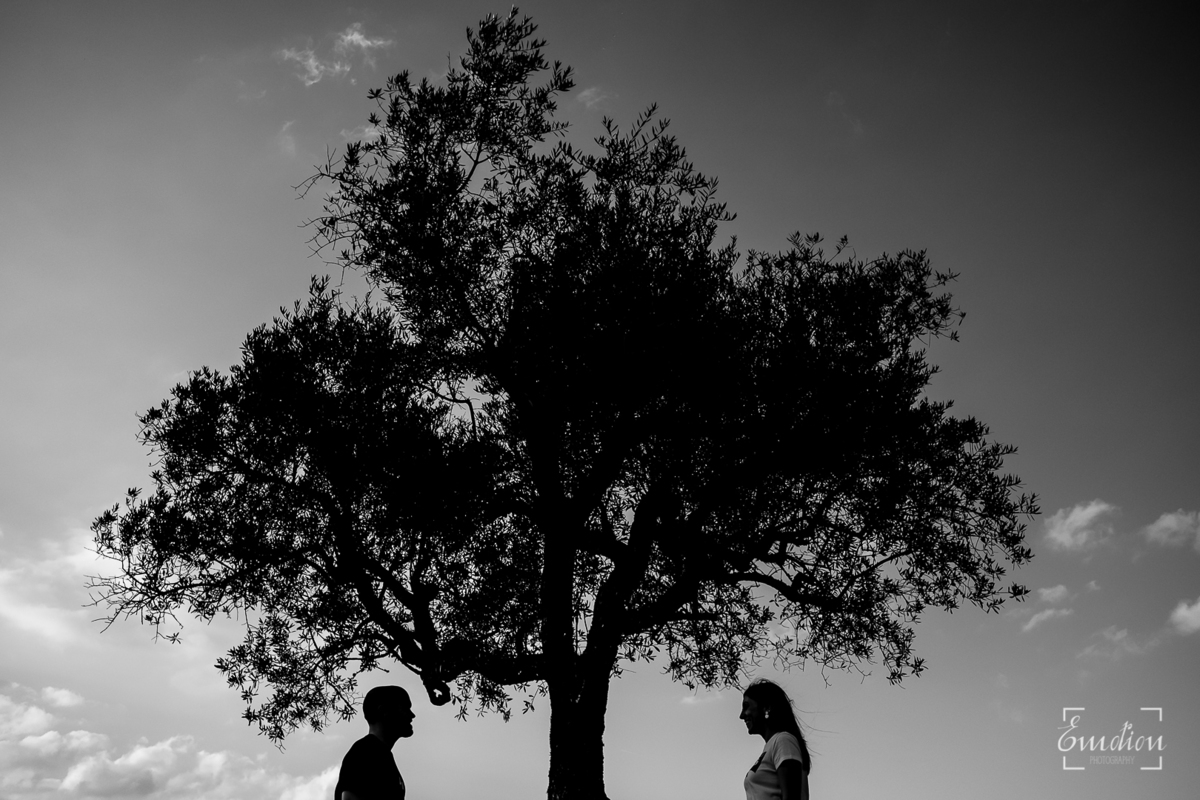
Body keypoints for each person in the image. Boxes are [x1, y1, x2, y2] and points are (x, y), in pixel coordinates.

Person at [334, 685, 415, 800]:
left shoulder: (381, 754)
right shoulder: (365, 751)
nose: (412, 715)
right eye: (405, 708)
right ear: (383, 711)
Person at [740, 679, 811, 800]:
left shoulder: (784, 741)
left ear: (766, 707)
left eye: (746, 707)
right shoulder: (772, 746)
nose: (742, 715)